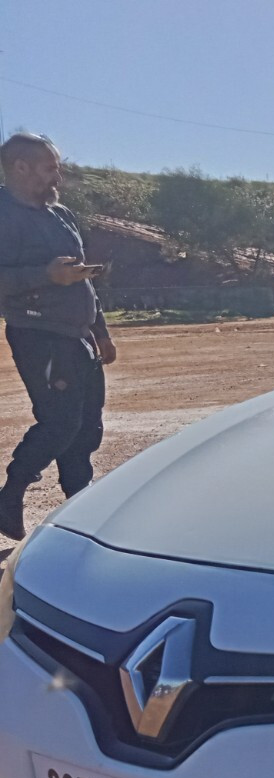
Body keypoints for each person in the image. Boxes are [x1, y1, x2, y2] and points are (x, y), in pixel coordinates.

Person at [0, 132, 115, 542]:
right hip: (38, 334)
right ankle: (11, 493)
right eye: (50, 168)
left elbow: (82, 279)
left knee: (87, 427)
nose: (58, 178)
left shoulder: (61, 215)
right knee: (61, 422)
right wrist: (46, 275)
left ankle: (77, 512)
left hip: (78, 334)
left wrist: (100, 331)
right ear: (20, 167)